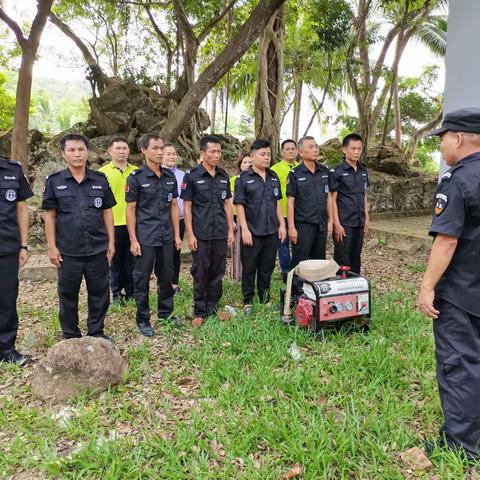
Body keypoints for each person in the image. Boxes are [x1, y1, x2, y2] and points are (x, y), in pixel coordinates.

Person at [417, 107, 480, 461]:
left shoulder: (458, 180)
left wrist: (427, 287)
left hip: (459, 292)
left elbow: (447, 241)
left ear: (457, 138)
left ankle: (462, 443)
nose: (441, 146)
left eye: (442, 138)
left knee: (458, 362)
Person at [42, 133, 116, 341]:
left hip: (97, 248)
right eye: (72, 150)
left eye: (81, 149)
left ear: (87, 152)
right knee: (67, 295)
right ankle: (71, 334)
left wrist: (111, 242)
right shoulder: (55, 182)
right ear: (63, 154)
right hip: (68, 251)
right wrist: (52, 247)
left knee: (100, 293)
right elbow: (49, 216)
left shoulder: (100, 180)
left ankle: (96, 331)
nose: (77, 154)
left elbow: (107, 212)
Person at [126, 133, 182, 336]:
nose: (160, 152)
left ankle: (166, 313)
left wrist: (177, 234)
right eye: (155, 148)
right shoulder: (136, 178)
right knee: (141, 279)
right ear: (143, 150)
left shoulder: (169, 177)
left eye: (162, 148)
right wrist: (133, 239)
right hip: (145, 237)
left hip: (166, 236)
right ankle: (143, 318)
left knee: (166, 276)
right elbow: (130, 209)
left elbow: (174, 206)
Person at [181, 135, 234, 327]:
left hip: (220, 232)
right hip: (200, 234)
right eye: (212, 151)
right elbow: (187, 207)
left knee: (218, 270)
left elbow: (227, 204)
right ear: (202, 154)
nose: (217, 155)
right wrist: (191, 234)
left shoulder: (223, 176)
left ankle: (213, 308)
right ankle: (199, 310)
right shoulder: (192, 176)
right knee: (201, 271)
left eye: (219, 151)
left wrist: (230, 229)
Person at [234, 139, 286, 314]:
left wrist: (282, 225)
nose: (267, 158)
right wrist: (245, 230)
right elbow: (239, 205)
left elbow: (277, 202)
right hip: (252, 231)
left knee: (267, 266)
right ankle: (247, 299)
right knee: (249, 267)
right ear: (253, 156)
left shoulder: (273, 177)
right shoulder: (243, 178)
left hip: (271, 230)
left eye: (269, 155)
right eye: (263, 154)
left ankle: (264, 298)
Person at [0, 156, 34, 365]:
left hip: (7, 245)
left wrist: (23, 245)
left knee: (7, 299)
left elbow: (22, 209)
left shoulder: (12, 169)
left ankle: (6, 349)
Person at [99, 136, 137, 304]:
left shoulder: (137, 172)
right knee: (114, 261)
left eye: (124, 148)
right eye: (118, 148)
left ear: (129, 151)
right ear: (110, 151)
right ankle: (115, 293)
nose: (122, 151)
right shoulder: (102, 173)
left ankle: (131, 292)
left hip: (133, 224)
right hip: (112, 224)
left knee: (131, 260)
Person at [286, 136, 332, 267]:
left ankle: (313, 287)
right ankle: (296, 287)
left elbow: (328, 197)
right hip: (303, 225)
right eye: (310, 147)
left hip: (321, 224)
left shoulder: (324, 171)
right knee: (299, 261)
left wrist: (331, 221)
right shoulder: (295, 174)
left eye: (316, 146)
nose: (315, 150)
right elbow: (290, 201)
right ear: (301, 152)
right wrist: (291, 227)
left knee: (318, 261)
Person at [330, 133, 369, 274]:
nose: (356, 152)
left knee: (356, 256)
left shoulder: (363, 171)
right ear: (344, 149)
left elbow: (364, 195)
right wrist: (336, 224)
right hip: (344, 222)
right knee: (342, 258)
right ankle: (341, 289)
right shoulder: (337, 171)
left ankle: (356, 288)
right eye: (353, 148)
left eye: (359, 148)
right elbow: (332, 200)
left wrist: (367, 217)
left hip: (359, 221)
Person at [271, 139, 299, 280]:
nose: (290, 151)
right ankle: (286, 271)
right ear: (282, 152)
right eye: (287, 149)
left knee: (297, 242)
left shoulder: (300, 168)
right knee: (282, 243)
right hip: (281, 213)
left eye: (293, 148)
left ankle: (297, 269)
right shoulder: (275, 169)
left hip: (297, 213)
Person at [162, 143, 185, 294]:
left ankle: (175, 284)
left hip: (181, 219)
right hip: (163, 220)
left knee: (176, 252)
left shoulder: (183, 175)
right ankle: (164, 284)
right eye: (168, 154)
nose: (171, 156)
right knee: (164, 254)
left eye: (173, 153)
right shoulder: (158, 174)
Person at [230, 152, 252, 281]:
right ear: (240, 165)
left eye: (250, 162)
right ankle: (237, 275)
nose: (248, 164)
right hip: (236, 218)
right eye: (245, 162)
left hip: (253, 218)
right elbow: (230, 202)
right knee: (237, 249)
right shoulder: (234, 180)